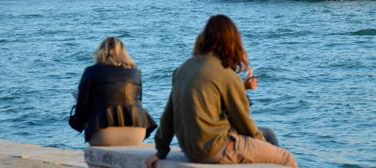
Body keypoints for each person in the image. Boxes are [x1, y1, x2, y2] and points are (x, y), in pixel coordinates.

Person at [147, 15, 297, 168]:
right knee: (286, 158)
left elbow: (168, 118)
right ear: (232, 41)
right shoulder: (225, 74)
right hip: (216, 150)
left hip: (190, 149)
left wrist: (161, 152)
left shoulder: (183, 69)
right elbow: (243, 123)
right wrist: (264, 146)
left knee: (268, 134)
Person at [69, 37, 157, 146]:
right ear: (124, 53)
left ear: (100, 52)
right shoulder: (135, 73)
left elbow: (81, 111)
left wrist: (77, 119)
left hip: (104, 134)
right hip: (137, 132)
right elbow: (138, 102)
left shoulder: (91, 72)